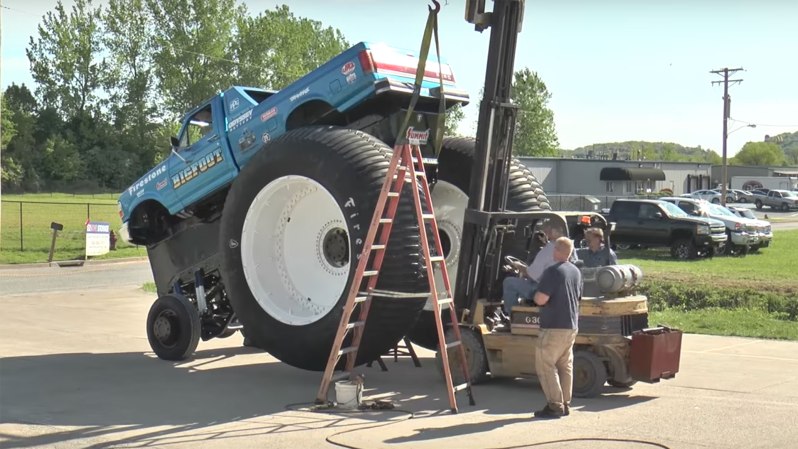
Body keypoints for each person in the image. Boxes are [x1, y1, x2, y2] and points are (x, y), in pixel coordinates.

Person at [532, 237, 582, 419]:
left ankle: (554, 405)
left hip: (553, 326)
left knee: (545, 365)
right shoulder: (576, 272)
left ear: (558, 251)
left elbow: (541, 299)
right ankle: (566, 403)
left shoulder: (552, 272)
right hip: (571, 326)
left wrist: (534, 295)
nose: (552, 252)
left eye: (554, 249)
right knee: (565, 364)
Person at [501, 220, 576, 316]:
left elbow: (533, 274)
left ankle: (512, 317)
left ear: (553, 231)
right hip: (561, 288)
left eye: (547, 231)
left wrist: (518, 266)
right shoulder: (570, 248)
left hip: (543, 289)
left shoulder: (550, 249)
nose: (545, 234)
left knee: (509, 282)